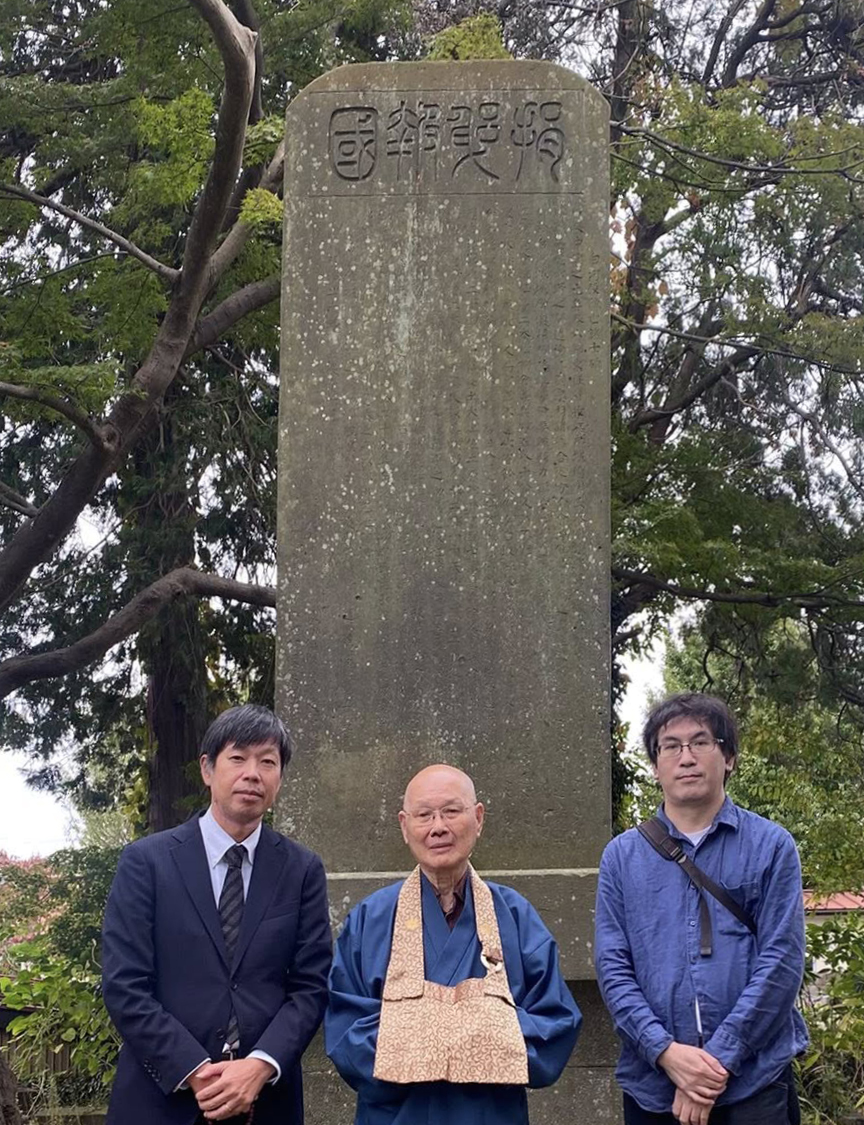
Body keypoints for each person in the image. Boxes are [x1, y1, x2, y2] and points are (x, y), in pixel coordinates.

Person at [102, 704, 331, 1125]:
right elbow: (124, 984)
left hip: (266, 1102)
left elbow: (310, 986)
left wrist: (260, 1065)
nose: (253, 774)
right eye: (238, 758)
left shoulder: (301, 870)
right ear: (208, 769)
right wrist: (196, 1070)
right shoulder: (147, 863)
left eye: (268, 762)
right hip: (161, 1101)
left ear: (280, 778)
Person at [325, 763, 581, 1125]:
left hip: (490, 1115)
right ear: (404, 826)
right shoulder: (371, 918)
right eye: (424, 815)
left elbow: (554, 1024)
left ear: (478, 818)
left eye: (451, 811)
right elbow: (345, 1030)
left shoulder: (515, 915)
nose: (438, 827)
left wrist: (421, 1036)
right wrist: (479, 1032)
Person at [595, 692, 808, 1125]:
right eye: (671, 746)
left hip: (754, 1083)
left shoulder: (771, 846)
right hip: (654, 1085)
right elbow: (613, 967)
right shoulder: (622, 857)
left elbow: (782, 962)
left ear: (728, 757)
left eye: (700, 742)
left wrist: (717, 1063)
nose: (686, 757)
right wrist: (665, 1052)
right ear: (656, 766)